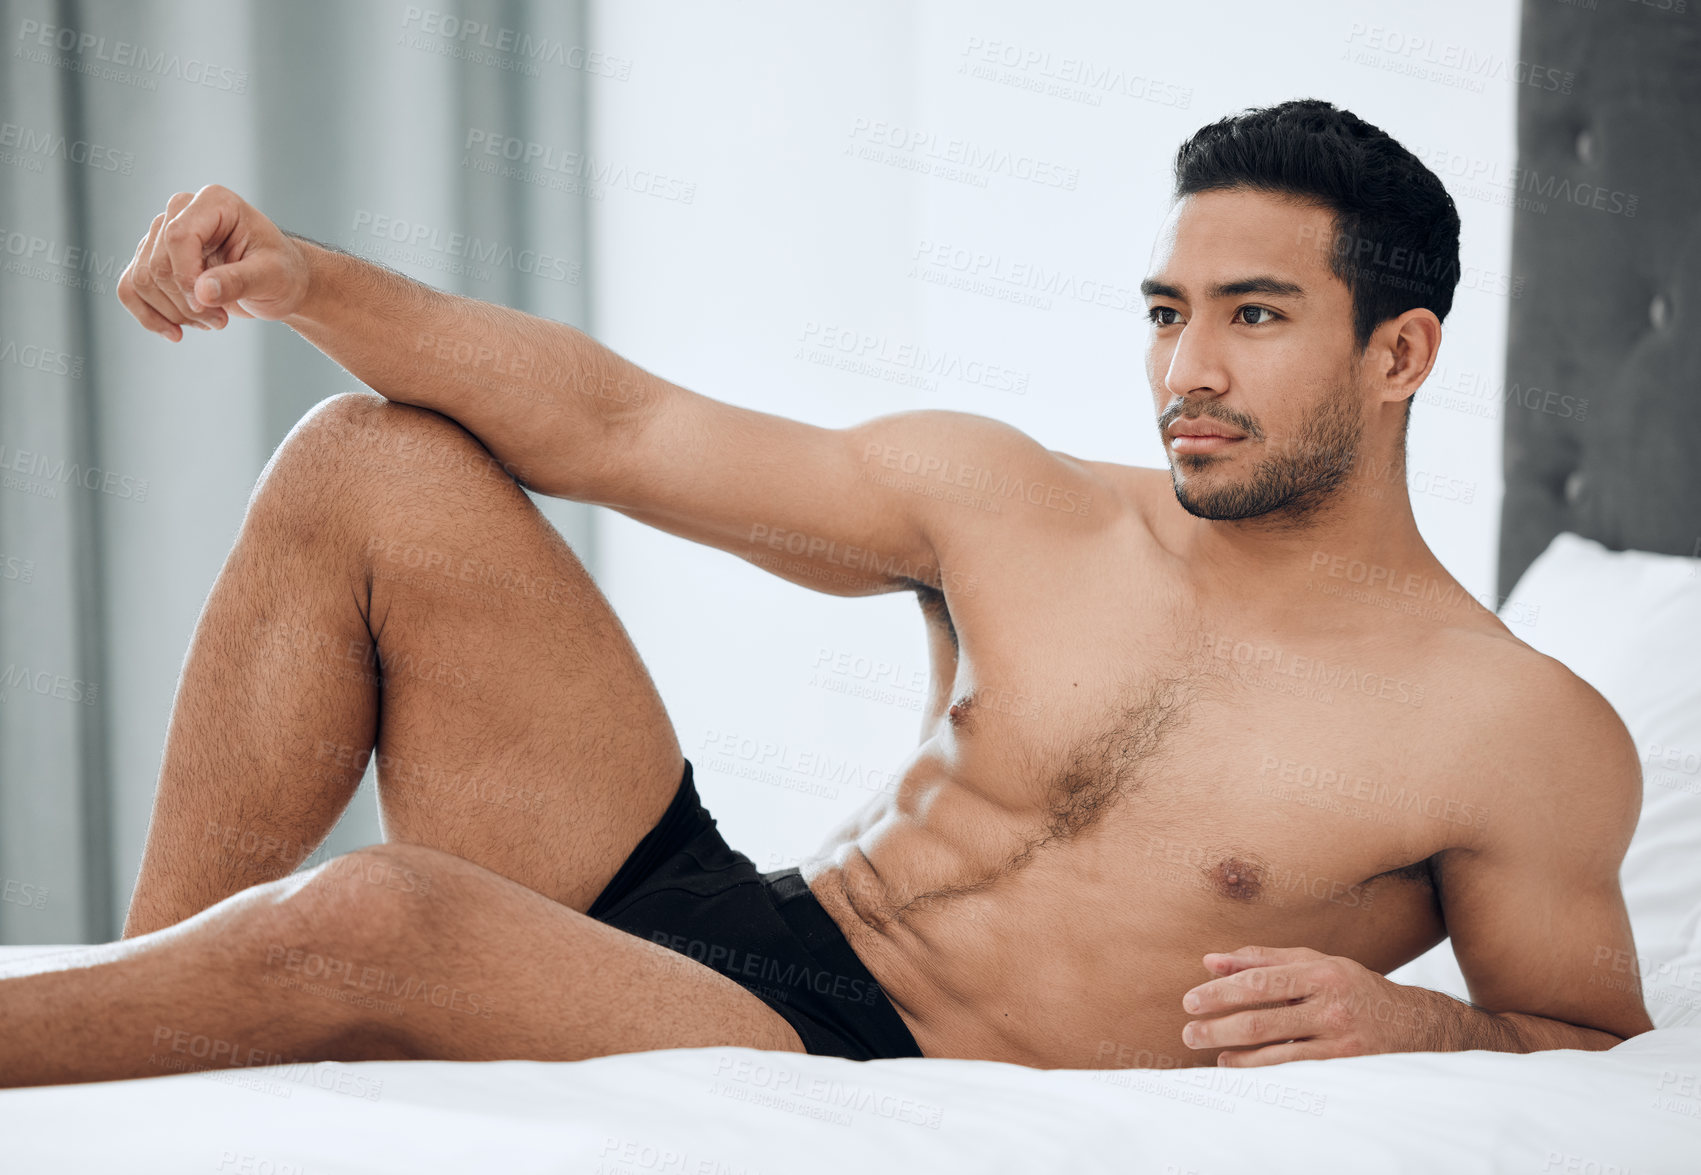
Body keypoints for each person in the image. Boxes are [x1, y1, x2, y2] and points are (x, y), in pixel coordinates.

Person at [0, 99, 1652, 1088]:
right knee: (366, 457)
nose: (1185, 369)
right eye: (1165, 310)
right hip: (736, 927)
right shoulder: (1021, 505)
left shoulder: (1511, 727)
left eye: (1255, 316)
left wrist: (1422, 1031)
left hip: (866, 1072)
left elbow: (1585, 1050)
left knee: (384, 913)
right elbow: (617, 423)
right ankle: (146, 1030)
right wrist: (304, 278)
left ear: (1399, 352)